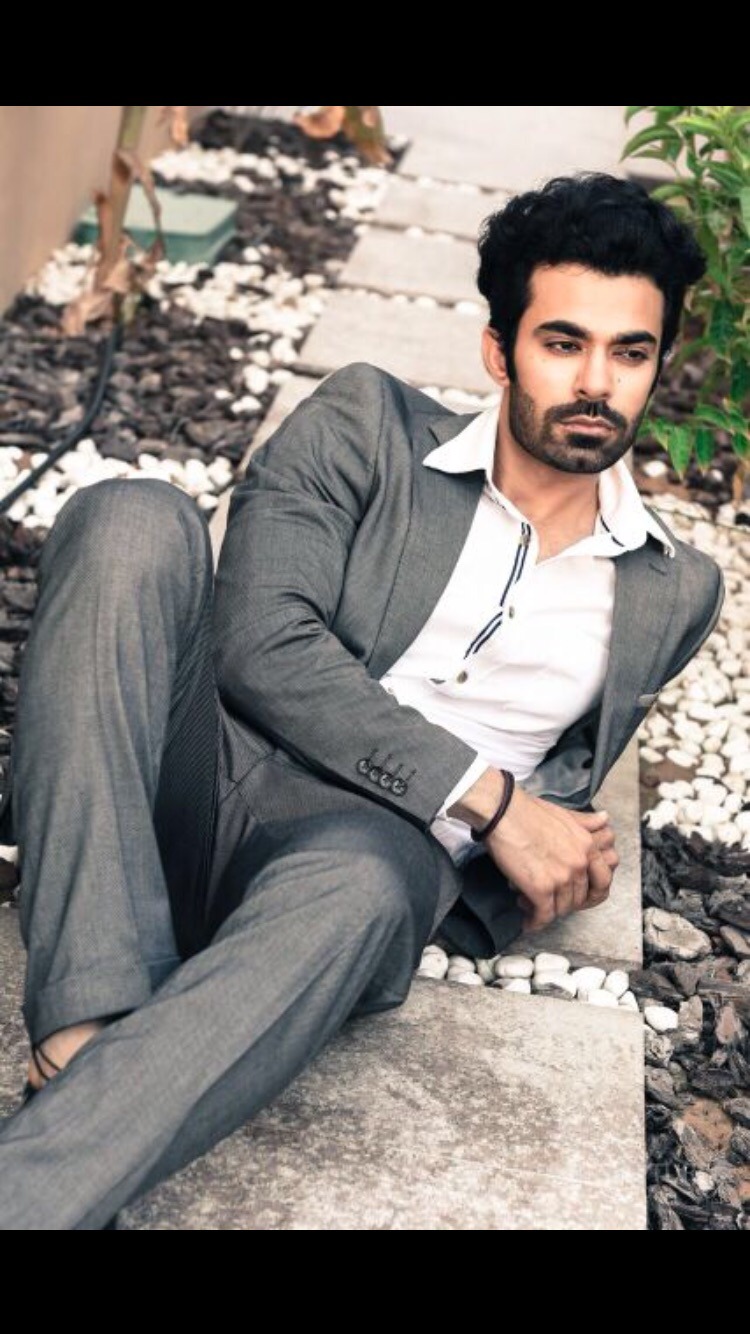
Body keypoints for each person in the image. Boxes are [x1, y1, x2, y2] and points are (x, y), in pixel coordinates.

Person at [0, 171, 725, 1230]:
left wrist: (555, 850)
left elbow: (565, 789)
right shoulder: (368, 424)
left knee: (370, 885)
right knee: (130, 515)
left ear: (656, 366)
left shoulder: (674, 589)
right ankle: (88, 1030)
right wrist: (493, 799)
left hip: (356, 861)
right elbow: (259, 644)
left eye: (629, 352)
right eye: (563, 342)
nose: (594, 383)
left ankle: (58, 1140)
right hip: (202, 769)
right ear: (499, 351)